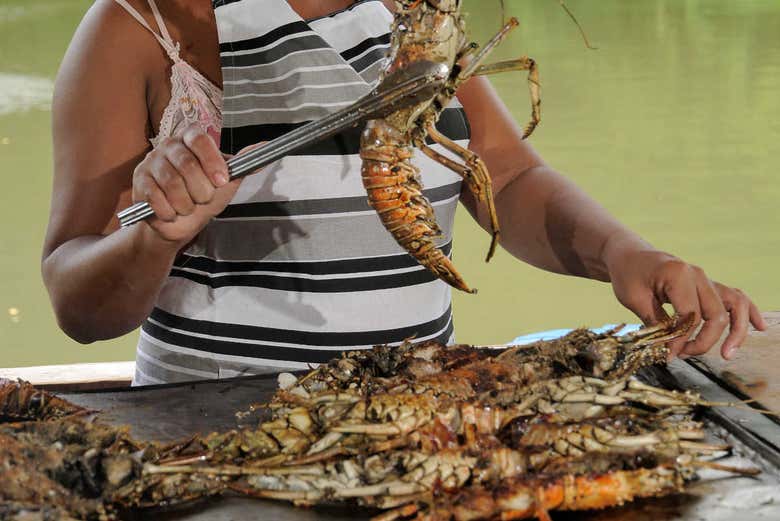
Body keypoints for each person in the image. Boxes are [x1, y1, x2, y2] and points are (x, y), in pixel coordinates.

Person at [42, 0, 766, 385]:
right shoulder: (141, 26)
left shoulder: (418, 13)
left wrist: (623, 252)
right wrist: (154, 236)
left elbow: (508, 177)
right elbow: (76, 299)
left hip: (413, 417)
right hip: (218, 436)